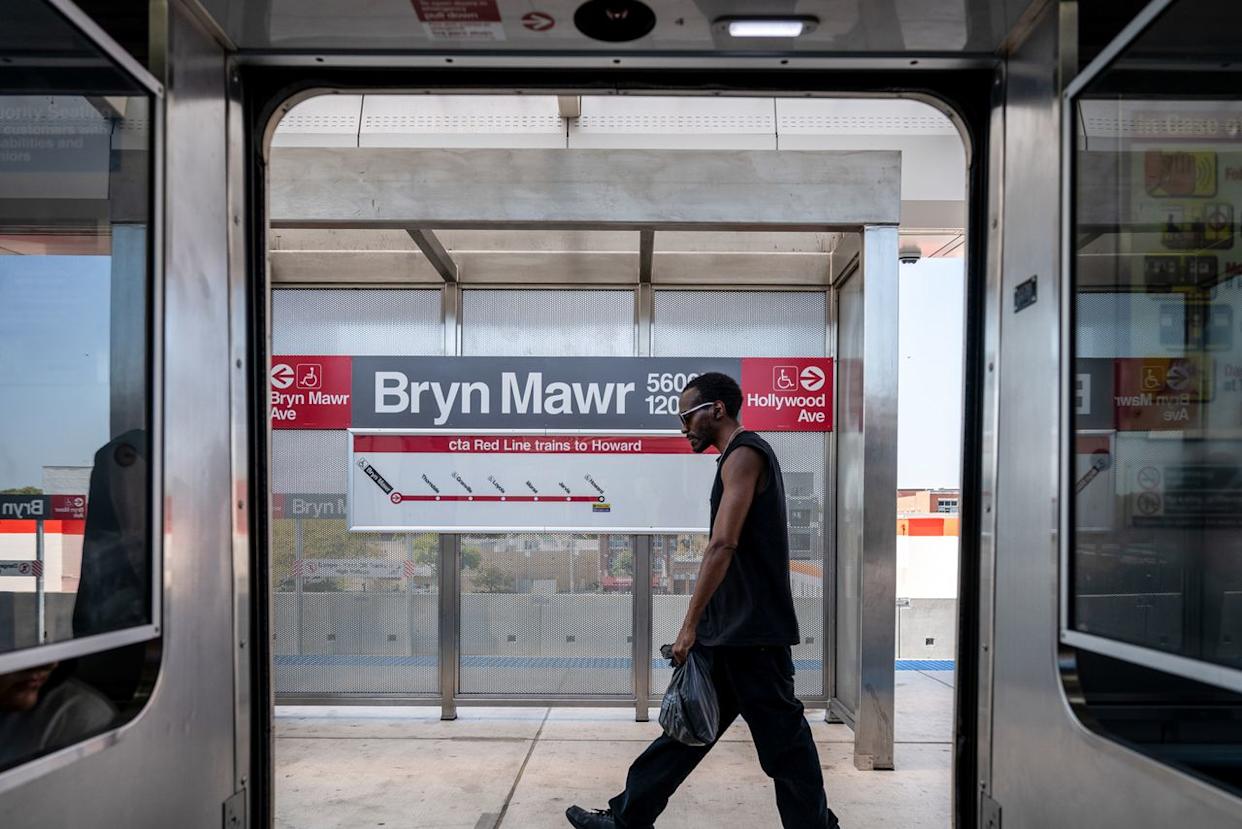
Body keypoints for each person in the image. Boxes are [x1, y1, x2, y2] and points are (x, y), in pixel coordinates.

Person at [567, 372, 839, 829]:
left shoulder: (746, 453)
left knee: (784, 746)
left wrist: (688, 625)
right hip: (732, 630)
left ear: (716, 409)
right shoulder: (735, 457)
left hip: (751, 634)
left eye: (686, 416)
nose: (683, 427)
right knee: (687, 730)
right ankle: (627, 817)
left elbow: (723, 544)